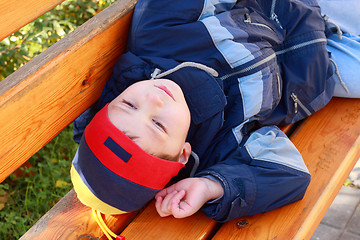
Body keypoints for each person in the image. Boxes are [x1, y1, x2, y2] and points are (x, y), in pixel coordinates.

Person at [71, 0, 352, 222]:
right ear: (183, 153)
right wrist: (212, 186)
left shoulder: (156, 33)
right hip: (325, 68)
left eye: (128, 104)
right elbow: (290, 174)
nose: (152, 100)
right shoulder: (219, 148)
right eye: (157, 124)